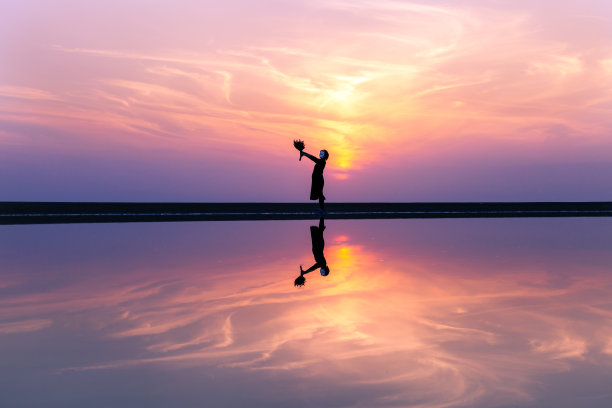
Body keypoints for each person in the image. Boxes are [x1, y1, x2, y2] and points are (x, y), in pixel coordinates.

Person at [295, 217, 329, 287]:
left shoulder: (322, 264)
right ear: (324, 271)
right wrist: (305, 272)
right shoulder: (322, 264)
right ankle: (322, 214)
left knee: (320, 230)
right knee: (320, 230)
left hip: (318, 245)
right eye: (322, 273)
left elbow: (313, 268)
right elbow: (313, 268)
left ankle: (322, 213)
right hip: (318, 245)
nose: (321, 273)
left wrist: (305, 272)